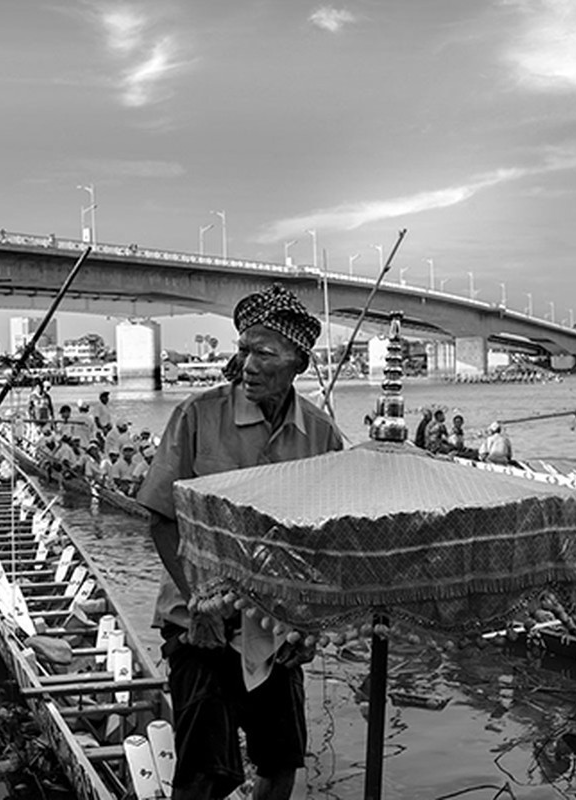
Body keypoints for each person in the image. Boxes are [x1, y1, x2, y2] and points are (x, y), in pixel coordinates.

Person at [137, 283, 343, 800]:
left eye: (264, 353)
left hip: (275, 631)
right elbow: (163, 519)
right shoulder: (199, 416)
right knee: (206, 771)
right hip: (199, 625)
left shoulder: (320, 434)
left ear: (297, 361)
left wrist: (308, 623)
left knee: (281, 762)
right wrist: (197, 598)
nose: (248, 363)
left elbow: (325, 544)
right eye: (244, 349)